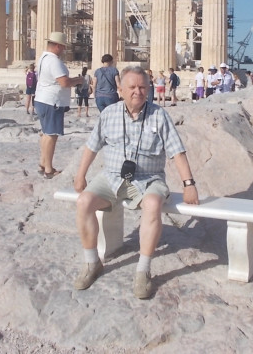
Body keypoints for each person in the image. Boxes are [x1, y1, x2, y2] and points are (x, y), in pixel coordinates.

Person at [72, 66, 199, 299]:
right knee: (84, 202)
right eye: (132, 87)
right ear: (120, 89)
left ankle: (143, 270)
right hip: (111, 177)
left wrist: (188, 184)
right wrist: (80, 175)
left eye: (142, 87)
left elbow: (177, 152)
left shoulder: (159, 115)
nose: (137, 92)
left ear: (149, 89)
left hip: (149, 179)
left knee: (152, 204)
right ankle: (92, 263)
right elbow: (91, 147)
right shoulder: (109, 114)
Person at [35, 32, 84, 178]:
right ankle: (49, 169)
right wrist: (78, 80)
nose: (64, 50)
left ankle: (43, 163)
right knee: (51, 135)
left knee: (46, 133)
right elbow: (64, 82)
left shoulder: (43, 58)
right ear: (57, 46)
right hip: (52, 101)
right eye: (63, 47)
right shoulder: (54, 61)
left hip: (42, 99)